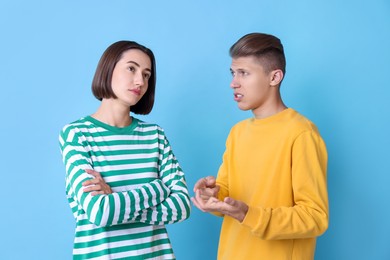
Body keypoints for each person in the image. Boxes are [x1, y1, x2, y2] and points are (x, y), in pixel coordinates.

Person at [191, 33, 329, 260]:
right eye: (233, 73)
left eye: (244, 73)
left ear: (274, 77)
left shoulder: (301, 133)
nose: (233, 83)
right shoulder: (237, 133)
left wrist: (250, 215)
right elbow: (228, 193)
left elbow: (315, 217)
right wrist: (213, 196)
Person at [59, 40, 191, 259]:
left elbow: (182, 206)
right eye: (131, 68)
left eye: (147, 75)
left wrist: (115, 197)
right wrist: (158, 189)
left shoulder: (154, 136)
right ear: (108, 69)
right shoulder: (76, 134)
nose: (140, 80)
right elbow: (100, 212)